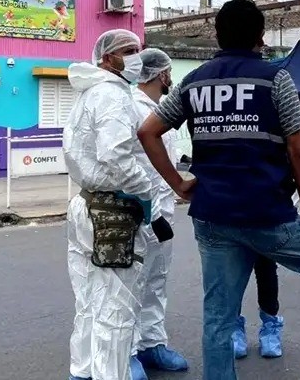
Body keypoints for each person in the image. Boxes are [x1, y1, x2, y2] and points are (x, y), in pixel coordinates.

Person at [138, 0, 300, 380]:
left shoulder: (194, 81)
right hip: (267, 215)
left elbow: (148, 131)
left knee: (218, 316)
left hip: (213, 217)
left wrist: (179, 184)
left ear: (217, 35)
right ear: (260, 37)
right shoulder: (275, 79)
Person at [64, 29, 171, 380]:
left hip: (86, 205)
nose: (136, 57)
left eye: (138, 50)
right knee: (116, 307)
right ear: (108, 58)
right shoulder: (111, 95)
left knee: (90, 303)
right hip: (112, 211)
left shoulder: (90, 92)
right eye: (128, 51)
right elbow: (117, 157)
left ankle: (82, 372)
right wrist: (146, 192)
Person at [131, 48, 191, 372]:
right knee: (134, 285)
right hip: (142, 214)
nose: (170, 78)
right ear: (163, 75)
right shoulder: (134, 110)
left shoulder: (157, 110)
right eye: (169, 73)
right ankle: (127, 353)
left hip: (162, 213)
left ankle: (152, 344)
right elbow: (131, 168)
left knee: (156, 282)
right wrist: (150, 213)